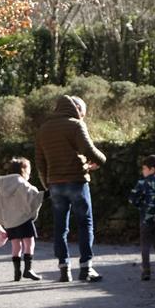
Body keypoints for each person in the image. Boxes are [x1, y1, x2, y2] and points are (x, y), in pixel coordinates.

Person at [34, 95, 107, 282]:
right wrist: (101, 160)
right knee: (85, 224)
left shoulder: (44, 129)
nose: (83, 116)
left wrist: (47, 183)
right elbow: (89, 150)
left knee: (60, 227)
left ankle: (64, 269)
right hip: (77, 181)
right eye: (83, 112)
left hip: (55, 184)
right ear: (77, 109)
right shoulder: (75, 125)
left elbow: (40, 161)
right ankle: (86, 268)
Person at [0, 157, 44, 281]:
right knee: (29, 243)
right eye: (29, 170)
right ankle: (28, 269)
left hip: (10, 223)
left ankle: (17, 272)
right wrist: (46, 194)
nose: (30, 173)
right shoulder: (22, 183)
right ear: (23, 170)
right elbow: (33, 196)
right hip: (23, 220)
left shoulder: (4, 186)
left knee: (16, 246)